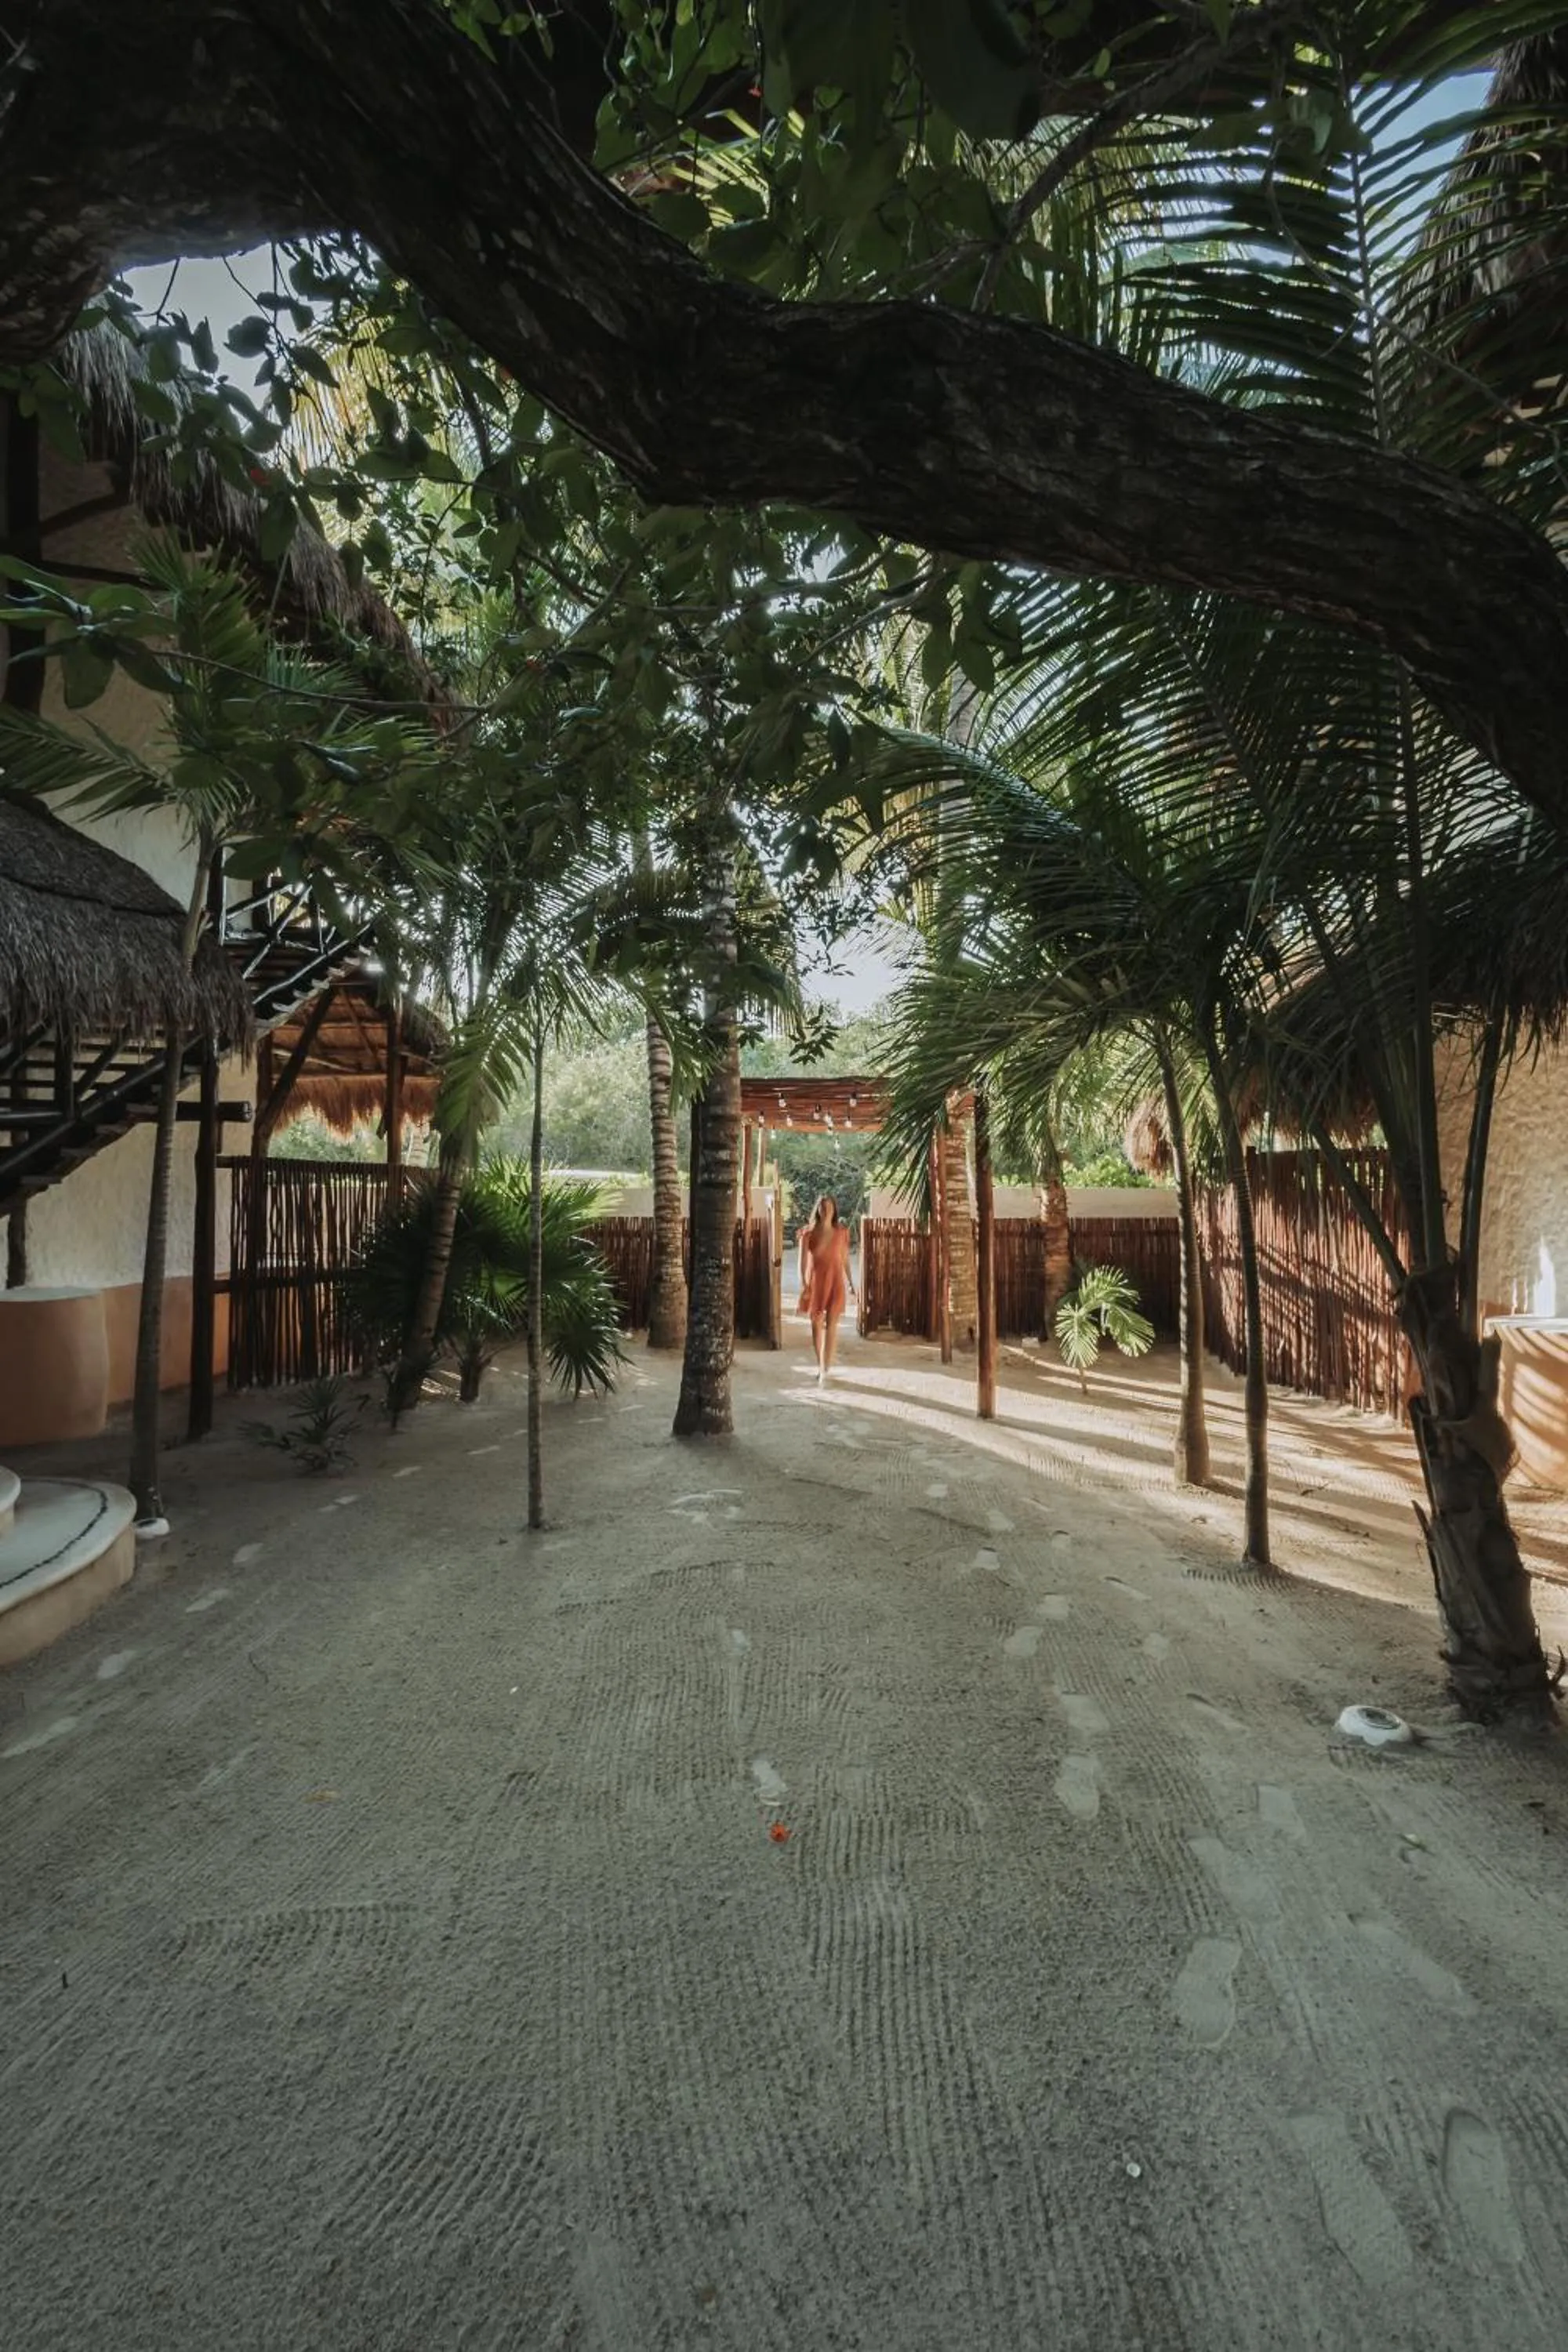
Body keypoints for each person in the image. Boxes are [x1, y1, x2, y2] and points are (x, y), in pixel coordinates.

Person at [797, 1193, 855, 1385]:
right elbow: (802, 1262)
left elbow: (845, 1259)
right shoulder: (808, 1234)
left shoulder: (841, 1232)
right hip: (815, 1282)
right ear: (818, 1210)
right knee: (816, 1324)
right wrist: (804, 1284)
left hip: (835, 1282)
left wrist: (851, 1283)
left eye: (829, 1207)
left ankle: (825, 1369)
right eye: (822, 1207)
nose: (826, 1210)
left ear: (834, 1210)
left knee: (831, 1326)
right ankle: (820, 1364)